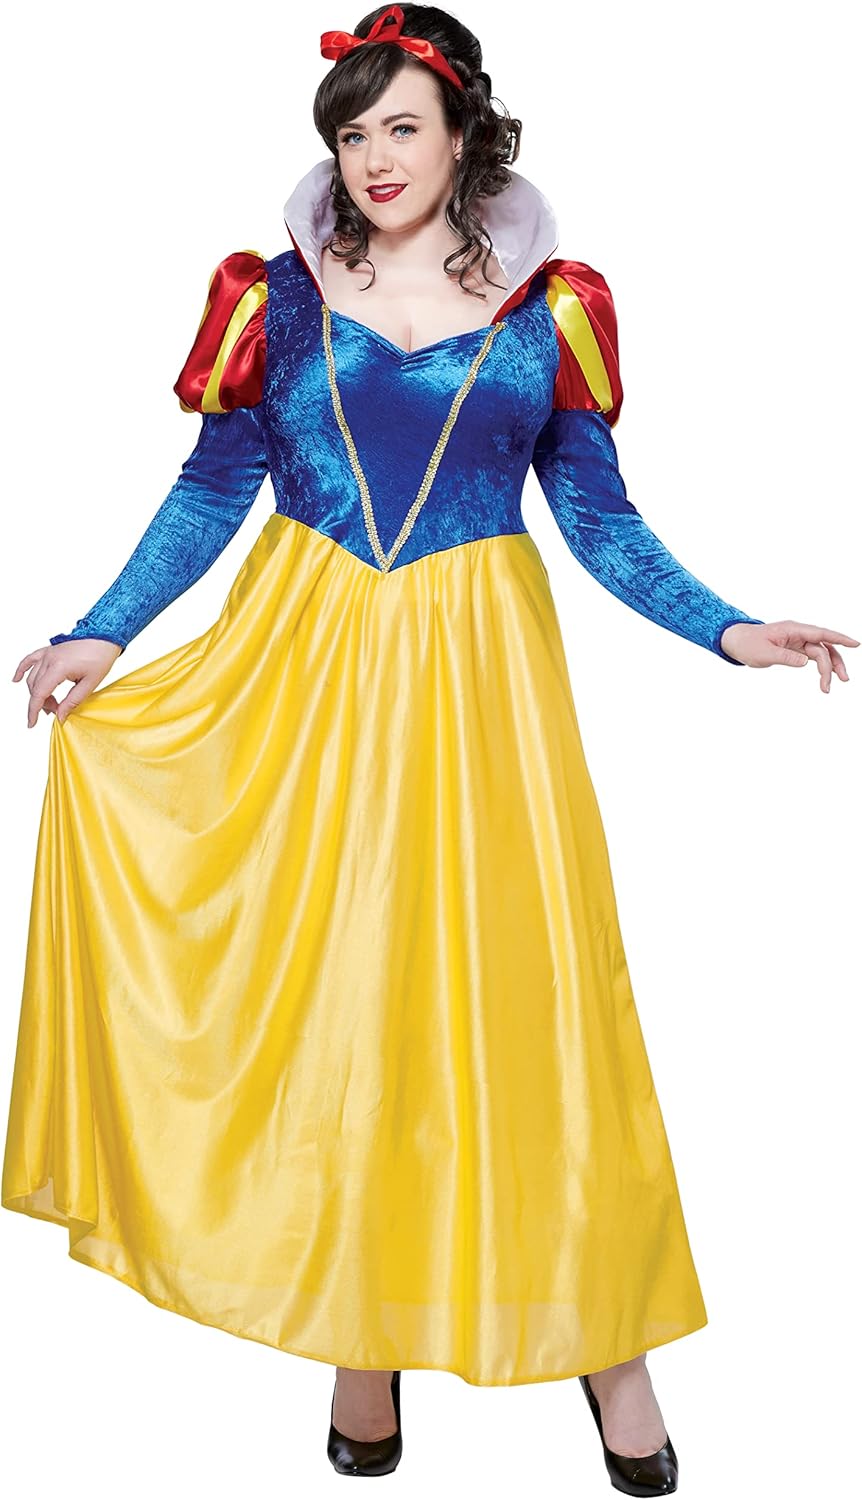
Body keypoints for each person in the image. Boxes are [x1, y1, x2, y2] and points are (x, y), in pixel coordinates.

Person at [3, 4, 856, 1492]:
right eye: (351, 133)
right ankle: (362, 1334)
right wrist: (102, 630)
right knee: (343, 1000)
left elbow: (595, 513)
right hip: (303, 667)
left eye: (401, 124)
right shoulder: (272, 295)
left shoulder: (553, 305)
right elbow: (211, 486)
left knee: (529, 1002)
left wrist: (728, 628)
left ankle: (609, 1351)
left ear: (466, 133)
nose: (373, 157)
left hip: (480, 676)